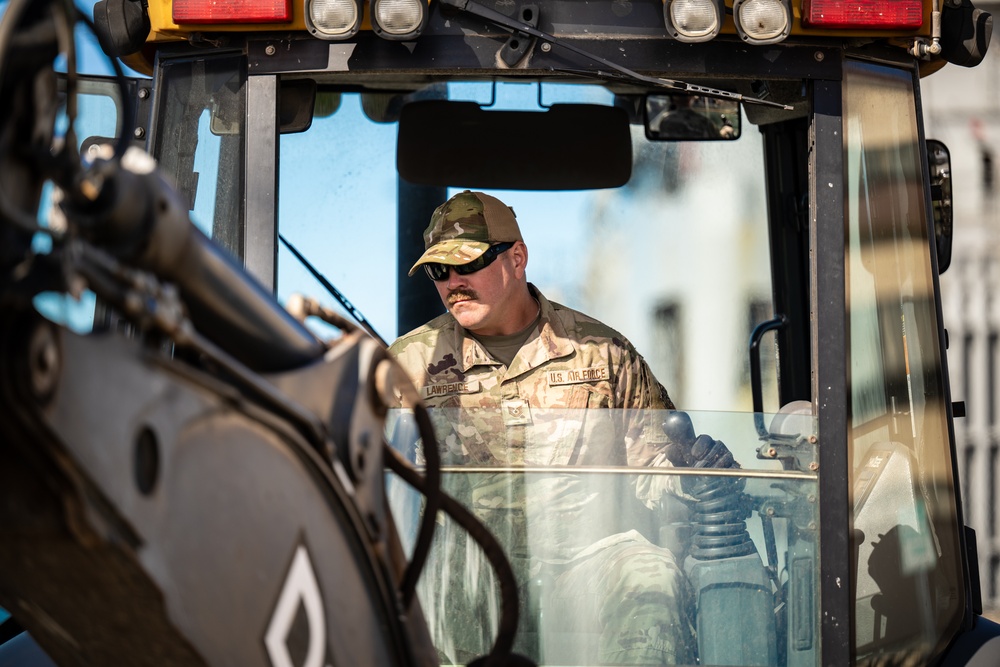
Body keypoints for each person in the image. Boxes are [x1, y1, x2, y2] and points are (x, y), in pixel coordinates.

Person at [389, 191, 700, 665]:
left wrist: (694, 475)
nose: (453, 283)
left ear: (516, 258)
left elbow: (657, 468)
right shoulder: (410, 365)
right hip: (462, 582)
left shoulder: (602, 354)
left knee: (647, 576)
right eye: (438, 271)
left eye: (466, 264)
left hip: (581, 571)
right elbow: (370, 480)